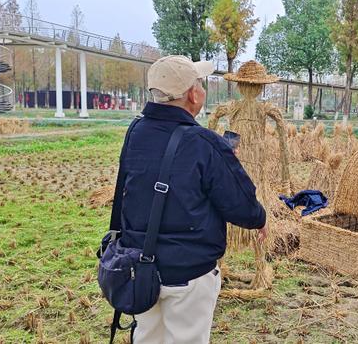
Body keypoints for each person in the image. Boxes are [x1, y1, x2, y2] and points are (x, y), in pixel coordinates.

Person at [114, 55, 267, 343]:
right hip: (189, 275)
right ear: (194, 95)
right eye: (200, 83)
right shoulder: (205, 143)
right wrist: (260, 218)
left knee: (147, 336)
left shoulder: (135, 132)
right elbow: (242, 205)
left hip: (138, 267)